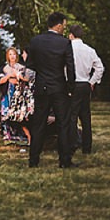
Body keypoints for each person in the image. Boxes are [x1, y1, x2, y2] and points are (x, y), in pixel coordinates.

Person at [26, 12, 77, 168]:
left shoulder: (36, 41)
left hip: (41, 87)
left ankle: (33, 160)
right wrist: (71, 88)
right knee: (63, 124)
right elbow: (70, 68)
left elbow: (30, 64)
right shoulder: (64, 43)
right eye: (64, 25)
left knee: (38, 124)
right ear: (59, 25)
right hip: (59, 88)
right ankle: (64, 160)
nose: (64, 28)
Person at [68, 24, 105, 155]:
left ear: (71, 35)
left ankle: (73, 143)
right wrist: (92, 81)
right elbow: (100, 67)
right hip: (85, 84)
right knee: (85, 117)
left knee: (71, 116)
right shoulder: (89, 50)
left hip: (73, 84)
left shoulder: (68, 49)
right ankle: (87, 147)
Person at [0, 47, 34, 146]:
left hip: (20, 94)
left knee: (20, 116)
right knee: (6, 115)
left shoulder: (21, 67)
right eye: (10, 54)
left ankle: (26, 137)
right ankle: (9, 137)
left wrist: (14, 77)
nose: (12, 56)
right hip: (8, 93)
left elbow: (22, 79)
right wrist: (9, 76)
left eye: (14, 54)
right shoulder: (5, 68)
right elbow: (1, 80)